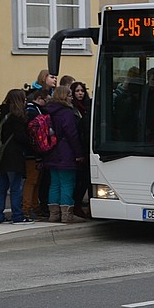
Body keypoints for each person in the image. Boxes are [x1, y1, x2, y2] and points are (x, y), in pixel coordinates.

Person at [44, 86, 86, 223]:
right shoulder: (66, 112)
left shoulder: (48, 110)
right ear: (63, 96)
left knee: (54, 183)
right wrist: (79, 153)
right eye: (69, 95)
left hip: (51, 151)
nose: (71, 97)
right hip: (65, 151)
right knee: (67, 183)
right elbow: (72, 134)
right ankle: (67, 214)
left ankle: (54, 214)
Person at [0, 89, 34, 224]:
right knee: (16, 188)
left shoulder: (3, 114)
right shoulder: (17, 118)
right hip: (14, 156)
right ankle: (17, 216)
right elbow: (20, 137)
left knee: (1, 187)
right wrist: (31, 142)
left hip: (2, 155)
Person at [22, 88, 49, 220]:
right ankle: (27, 208)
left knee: (35, 181)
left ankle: (33, 206)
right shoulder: (33, 112)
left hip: (33, 151)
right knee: (32, 181)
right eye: (46, 100)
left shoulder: (31, 110)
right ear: (39, 99)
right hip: (32, 152)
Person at [71, 81, 93, 219]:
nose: (80, 93)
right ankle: (76, 205)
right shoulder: (73, 109)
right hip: (79, 149)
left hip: (87, 148)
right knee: (80, 180)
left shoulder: (87, 106)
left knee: (86, 180)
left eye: (82, 91)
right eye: (77, 91)